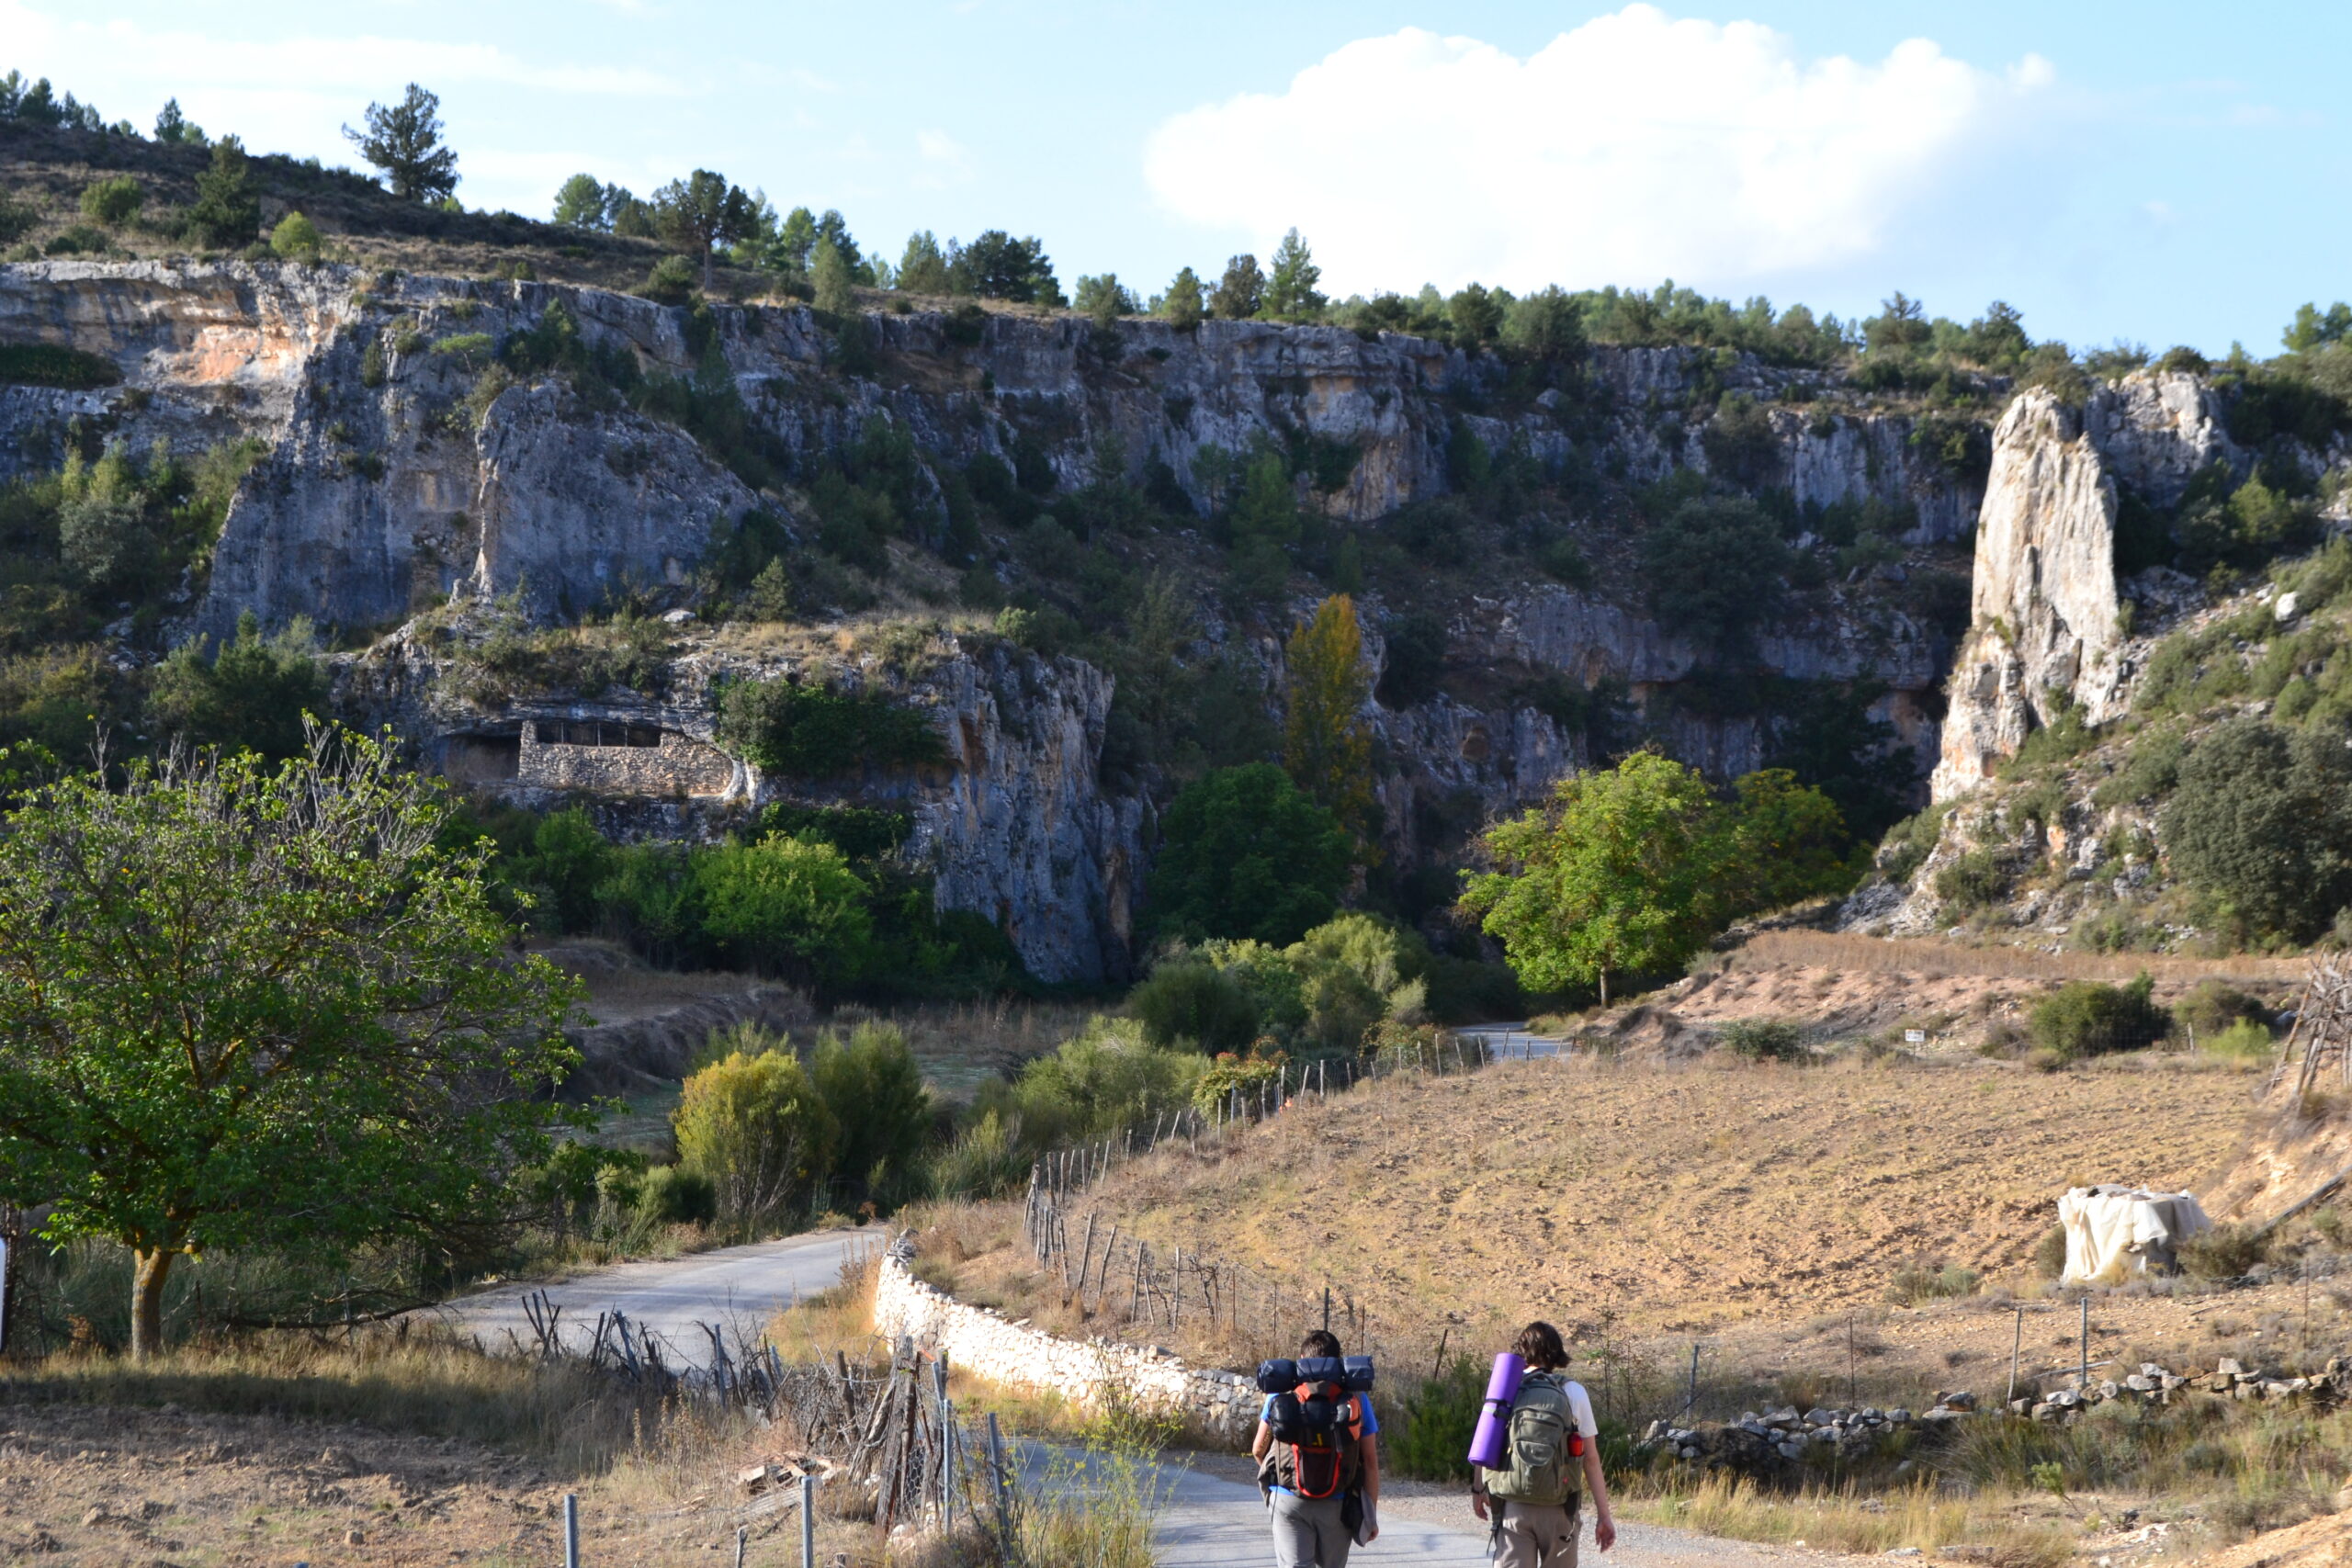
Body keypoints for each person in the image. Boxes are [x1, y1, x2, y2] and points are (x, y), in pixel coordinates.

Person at [1471, 1321, 1616, 1565]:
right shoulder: (1574, 1391)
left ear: (1522, 1350)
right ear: (1557, 1353)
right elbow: (1590, 1459)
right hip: (1560, 1506)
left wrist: (1478, 1490)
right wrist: (1604, 1515)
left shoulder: (1506, 1386)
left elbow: (1486, 1439)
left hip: (1512, 1503)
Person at [1252, 1328, 1380, 1567]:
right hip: (1338, 1502)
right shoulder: (1356, 1397)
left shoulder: (1281, 1393)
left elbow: (1258, 1449)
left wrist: (1279, 1478)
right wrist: (1370, 1515)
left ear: (1302, 1360)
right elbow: (1370, 1462)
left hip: (1289, 1500)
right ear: (1338, 1362)